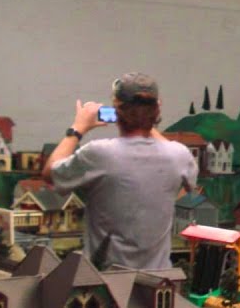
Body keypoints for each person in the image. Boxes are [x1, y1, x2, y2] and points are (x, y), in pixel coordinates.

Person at [43, 73, 198, 271]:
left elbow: (50, 174)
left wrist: (78, 128)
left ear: (116, 109)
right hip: (158, 281)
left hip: (106, 281)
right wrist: (145, 121)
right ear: (157, 108)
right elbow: (190, 180)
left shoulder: (99, 154)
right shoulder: (179, 156)